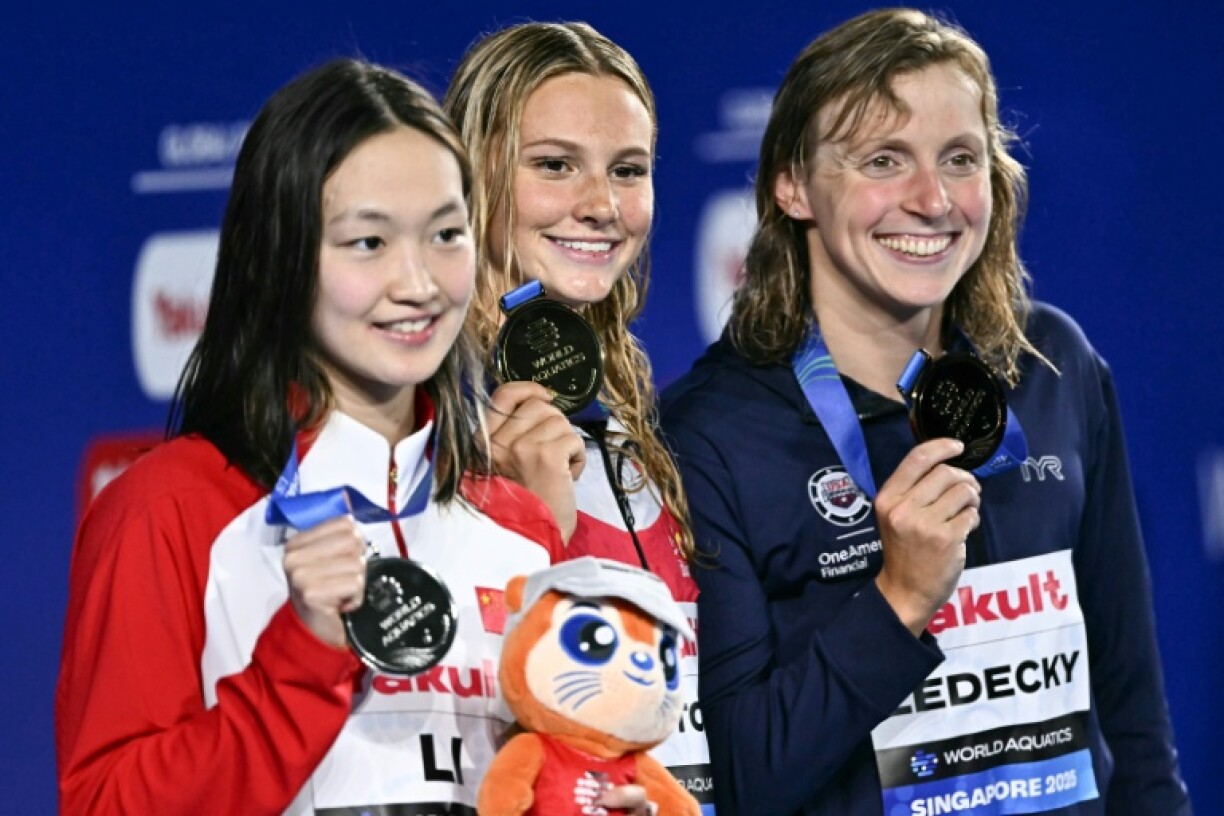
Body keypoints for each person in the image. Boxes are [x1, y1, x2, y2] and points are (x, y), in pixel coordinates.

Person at [660, 9, 1192, 816]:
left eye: (959, 159)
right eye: (884, 159)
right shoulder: (713, 431)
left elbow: (1130, 714)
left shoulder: (1054, 366)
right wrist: (898, 599)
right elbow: (737, 779)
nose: (933, 198)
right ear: (792, 185)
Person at [55, 59, 565, 814]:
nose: (419, 282)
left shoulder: (519, 526)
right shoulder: (167, 510)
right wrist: (302, 657)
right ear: (280, 260)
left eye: (446, 234)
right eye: (368, 244)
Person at [443, 21, 713, 810]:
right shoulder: (425, 414)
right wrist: (523, 518)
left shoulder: (626, 402)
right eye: (555, 165)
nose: (600, 205)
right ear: (471, 172)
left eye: (628, 170)